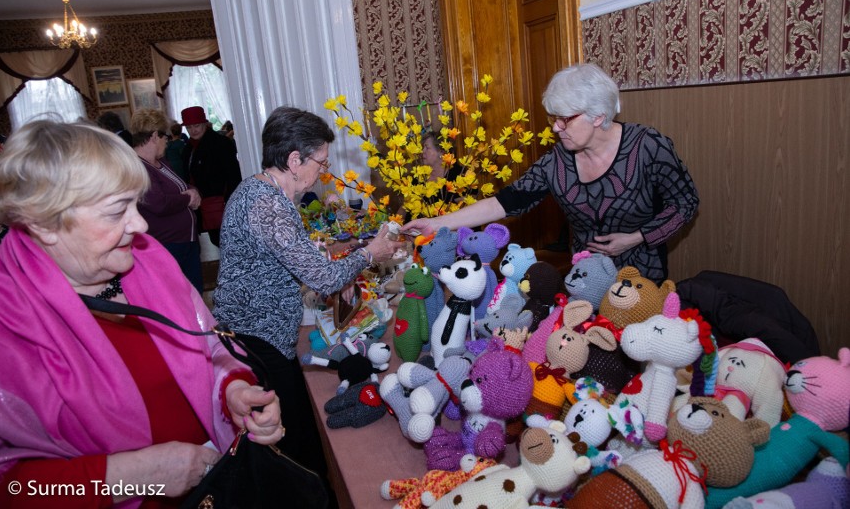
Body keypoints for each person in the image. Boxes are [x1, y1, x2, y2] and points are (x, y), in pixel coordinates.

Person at [0, 120, 283, 508]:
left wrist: (232, 391)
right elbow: (13, 490)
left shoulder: (150, 261)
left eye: (136, 203)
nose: (140, 224)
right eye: (117, 211)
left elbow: (210, 347)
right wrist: (130, 479)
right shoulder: (7, 324)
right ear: (45, 224)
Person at [213, 106, 405, 482]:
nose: (324, 172)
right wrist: (370, 253)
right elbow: (323, 278)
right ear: (294, 159)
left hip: (254, 332)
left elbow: (296, 260)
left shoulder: (261, 191)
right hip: (256, 340)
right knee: (294, 440)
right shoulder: (267, 205)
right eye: (321, 162)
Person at [404, 63, 699, 283]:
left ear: (598, 115)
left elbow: (686, 204)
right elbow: (504, 202)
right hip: (584, 277)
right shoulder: (557, 161)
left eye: (564, 119)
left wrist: (637, 237)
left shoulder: (647, 146)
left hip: (643, 274)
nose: (555, 128)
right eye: (553, 118)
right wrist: (437, 224)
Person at [129, 108, 204, 293]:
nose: (167, 142)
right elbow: (158, 203)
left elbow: (181, 186)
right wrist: (188, 198)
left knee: (193, 296)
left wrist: (193, 192)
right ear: (155, 136)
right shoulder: (137, 167)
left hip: (185, 242)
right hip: (168, 246)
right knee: (179, 297)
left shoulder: (160, 163)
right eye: (165, 137)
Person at [180, 106, 241, 246]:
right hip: (204, 207)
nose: (193, 130)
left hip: (221, 204)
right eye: (189, 127)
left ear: (205, 124)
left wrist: (231, 203)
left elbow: (233, 176)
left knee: (228, 243)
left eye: (196, 125)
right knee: (216, 241)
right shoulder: (188, 148)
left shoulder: (220, 143)